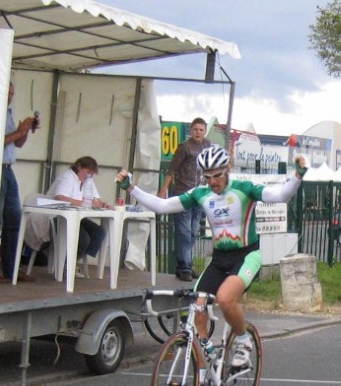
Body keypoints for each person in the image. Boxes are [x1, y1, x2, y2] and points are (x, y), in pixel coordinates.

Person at [116, 146, 306, 367]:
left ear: (228, 169)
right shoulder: (201, 193)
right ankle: (207, 362)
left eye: (217, 175)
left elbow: (281, 195)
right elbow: (162, 206)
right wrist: (131, 187)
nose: (213, 181)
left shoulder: (245, 188)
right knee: (197, 307)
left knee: (225, 299)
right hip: (219, 259)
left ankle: (243, 341)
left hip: (246, 256)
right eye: (207, 177)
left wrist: (298, 175)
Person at [158, 117, 212, 282]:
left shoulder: (207, 145)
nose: (198, 133)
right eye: (195, 129)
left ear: (204, 131)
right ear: (191, 130)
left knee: (193, 232)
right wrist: (163, 190)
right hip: (182, 194)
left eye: (201, 130)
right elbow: (172, 169)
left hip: (199, 194)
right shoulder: (184, 147)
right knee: (184, 232)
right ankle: (185, 267)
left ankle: (184, 265)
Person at [46, 156, 111, 278]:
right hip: (58, 217)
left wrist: (103, 204)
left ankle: (73, 261)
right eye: (87, 173)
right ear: (79, 167)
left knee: (99, 232)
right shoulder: (68, 177)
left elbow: (95, 199)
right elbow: (60, 197)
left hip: (76, 216)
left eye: (91, 174)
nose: (89, 176)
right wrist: (84, 203)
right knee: (83, 238)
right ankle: (68, 264)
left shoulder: (88, 181)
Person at [0, 82, 37, 283]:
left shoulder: (8, 112)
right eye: (8, 93)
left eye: (12, 94)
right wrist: (19, 132)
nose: (10, 97)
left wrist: (26, 131)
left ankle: (11, 269)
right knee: (0, 220)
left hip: (8, 169)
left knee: (13, 220)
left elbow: (16, 142)